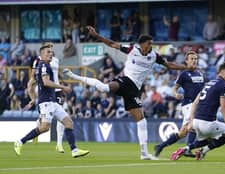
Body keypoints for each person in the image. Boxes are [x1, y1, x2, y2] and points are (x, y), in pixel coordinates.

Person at [63, 25, 189, 160]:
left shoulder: (154, 55)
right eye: (148, 43)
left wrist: (186, 66)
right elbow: (112, 44)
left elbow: (169, 65)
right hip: (126, 80)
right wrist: (97, 35)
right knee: (105, 88)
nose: (150, 45)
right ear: (141, 44)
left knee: (142, 121)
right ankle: (74, 76)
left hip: (135, 89)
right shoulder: (132, 49)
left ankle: (144, 153)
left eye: (151, 43)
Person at [14, 44, 89, 158]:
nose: (51, 54)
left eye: (51, 52)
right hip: (46, 102)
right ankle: (20, 142)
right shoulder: (43, 65)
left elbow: (37, 83)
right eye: (48, 52)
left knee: (68, 123)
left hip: (53, 101)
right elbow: (45, 82)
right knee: (44, 128)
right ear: (42, 54)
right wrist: (63, 87)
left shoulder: (47, 65)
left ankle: (74, 150)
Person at [170, 61, 225, 160]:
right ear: (222, 72)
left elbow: (195, 103)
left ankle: (186, 148)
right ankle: (203, 151)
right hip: (207, 123)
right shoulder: (224, 85)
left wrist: (191, 121)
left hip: (196, 122)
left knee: (208, 139)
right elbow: (223, 109)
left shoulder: (208, 83)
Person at [153, 51, 205, 157]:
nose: (194, 61)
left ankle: (161, 146)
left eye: (195, 59)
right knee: (193, 125)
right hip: (189, 104)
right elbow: (175, 88)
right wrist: (176, 94)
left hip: (198, 104)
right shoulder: (184, 74)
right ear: (186, 61)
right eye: (192, 59)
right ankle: (187, 148)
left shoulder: (200, 74)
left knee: (183, 132)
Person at [25, 42, 66, 153]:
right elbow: (33, 77)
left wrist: (62, 86)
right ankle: (38, 127)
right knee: (46, 120)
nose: (51, 49)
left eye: (51, 47)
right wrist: (32, 96)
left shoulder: (55, 60)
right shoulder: (38, 60)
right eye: (48, 47)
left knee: (62, 117)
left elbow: (56, 74)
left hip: (56, 90)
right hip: (45, 90)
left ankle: (59, 144)